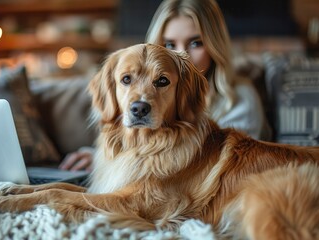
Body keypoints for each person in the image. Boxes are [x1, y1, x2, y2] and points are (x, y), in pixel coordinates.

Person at [59, 0, 270, 171]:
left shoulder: (242, 98)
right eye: (169, 45)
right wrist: (100, 157)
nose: (182, 55)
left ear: (215, 46)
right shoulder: (142, 91)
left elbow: (221, 168)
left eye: (195, 43)